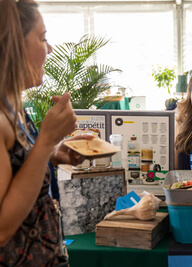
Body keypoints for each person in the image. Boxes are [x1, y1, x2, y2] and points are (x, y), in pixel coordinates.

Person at [0, 0, 94, 265]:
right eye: (42, 38)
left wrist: (54, 152)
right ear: (14, 46)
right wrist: (46, 142)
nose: (50, 49)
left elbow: (17, 169)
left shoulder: (13, 107)